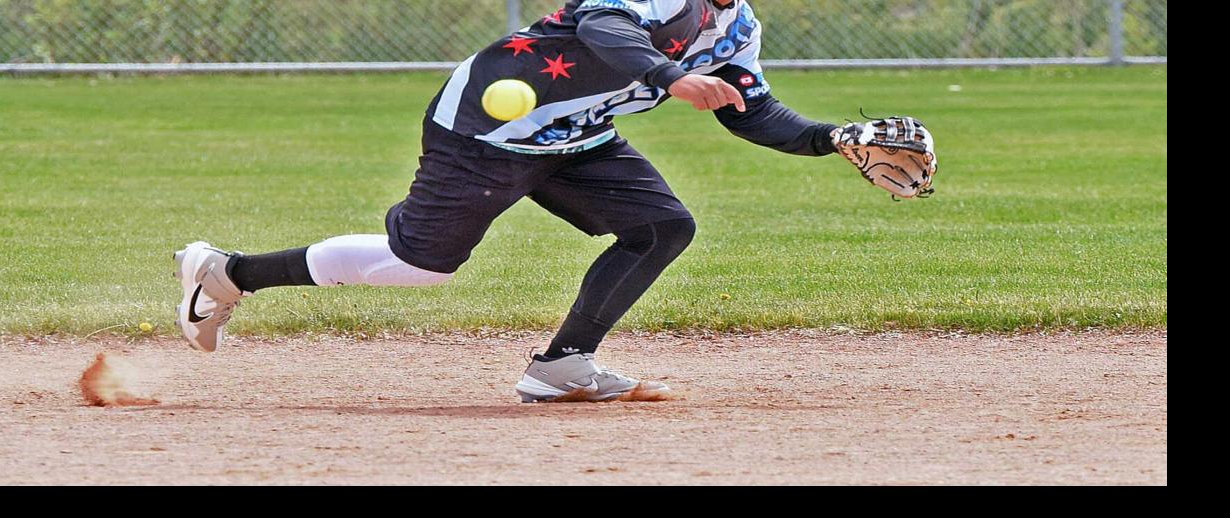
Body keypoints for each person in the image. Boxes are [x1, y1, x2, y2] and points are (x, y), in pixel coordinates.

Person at [175, 0, 843, 402]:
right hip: (487, 129)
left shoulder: (738, 24)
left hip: (573, 136)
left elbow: (750, 110)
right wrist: (670, 77)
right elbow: (604, 25)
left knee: (661, 227)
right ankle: (227, 273)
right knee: (422, 263)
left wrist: (832, 139)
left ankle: (562, 367)